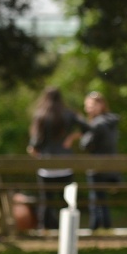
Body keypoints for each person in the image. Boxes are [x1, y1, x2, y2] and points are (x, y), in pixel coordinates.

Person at [27, 87, 81, 229]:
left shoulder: (41, 115)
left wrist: (35, 153)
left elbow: (34, 144)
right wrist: (71, 137)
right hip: (65, 165)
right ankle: (68, 228)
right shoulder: (69, 114)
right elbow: (87, 127)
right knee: (67, 199)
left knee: (46, 200)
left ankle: (45, 229)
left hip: (46, 167)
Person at [79, 91, 121, 230]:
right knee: (101, 197)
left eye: (91, 105)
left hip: (97, 165)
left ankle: (96, 226)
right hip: (111, 165)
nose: (88, 109)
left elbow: (85, 145)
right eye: (87, 106)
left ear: (101, 105)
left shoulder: (97, 123)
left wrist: (84, 133)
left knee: (96, 198)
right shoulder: (111, 121)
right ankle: (106, 225)